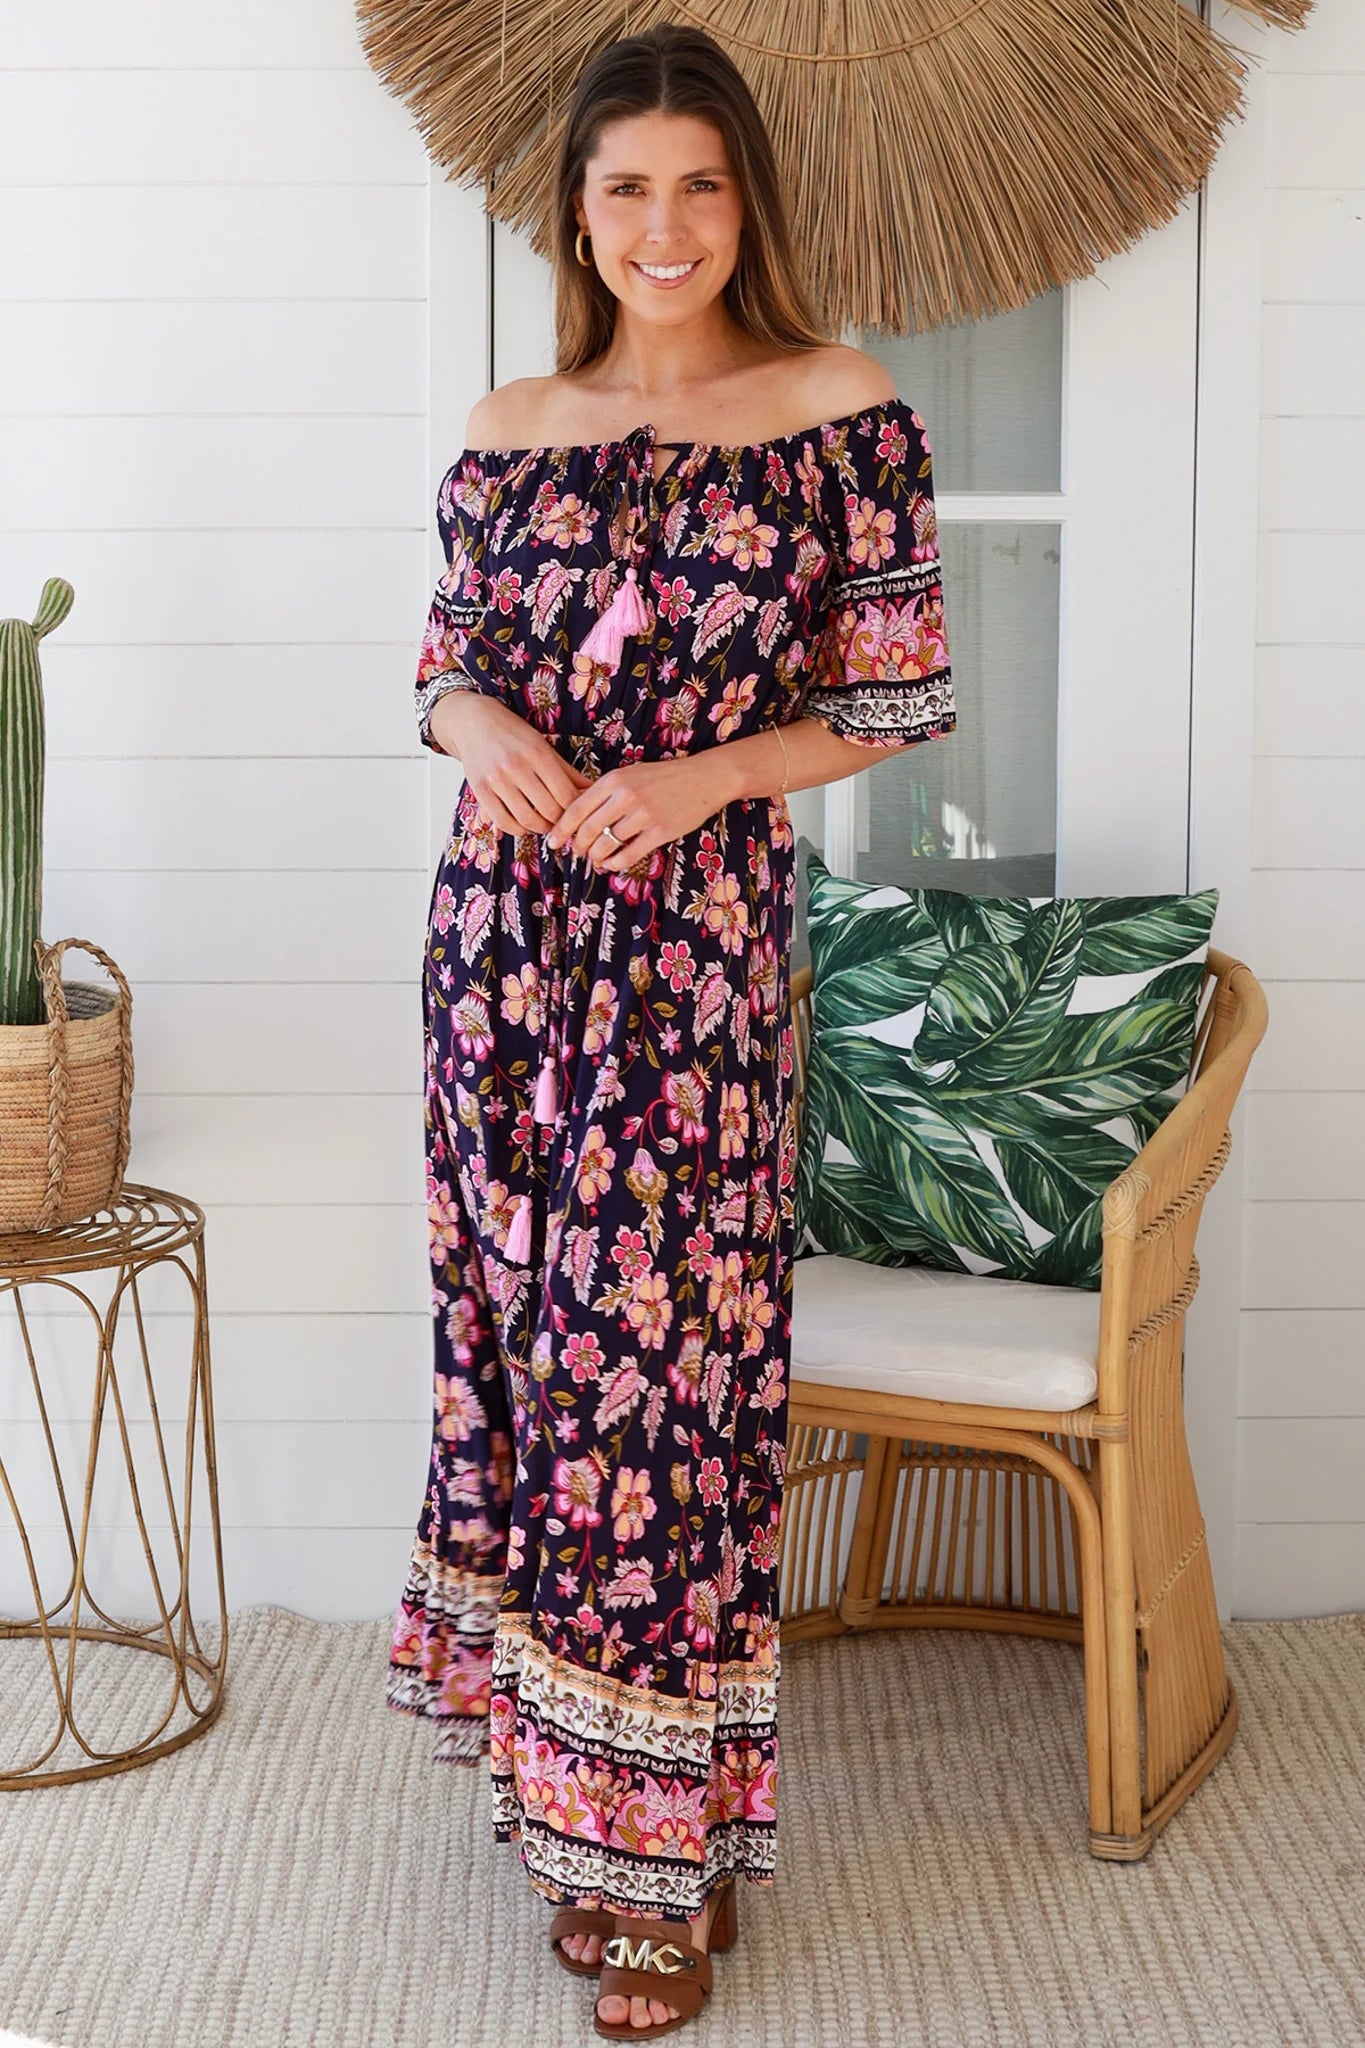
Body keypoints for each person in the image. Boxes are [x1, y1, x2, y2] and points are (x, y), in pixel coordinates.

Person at [385, 21, 956, 2039]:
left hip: (690, 966)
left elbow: (891, 698)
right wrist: (485, 724)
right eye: (623, 185)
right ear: (574, 208)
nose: (661, 223)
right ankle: (567, 1814)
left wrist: (711, 775)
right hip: (498, 951)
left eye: (697, 184)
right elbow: (445, 661)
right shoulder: (509, 417)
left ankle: (658, 1864)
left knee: (656, 1394)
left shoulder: (835, 407)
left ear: (746, 203)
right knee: (529, 1367)